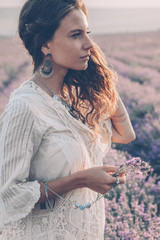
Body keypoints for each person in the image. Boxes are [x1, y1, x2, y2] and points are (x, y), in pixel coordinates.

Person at [0, 0, 136, 239]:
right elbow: (8, 196)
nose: (89, 45)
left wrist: (102, 77)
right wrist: (81, 179)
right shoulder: (25, 106)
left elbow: (126, 135)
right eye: (76, 35)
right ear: (45, 45)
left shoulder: (71, 100)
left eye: (88, 33)